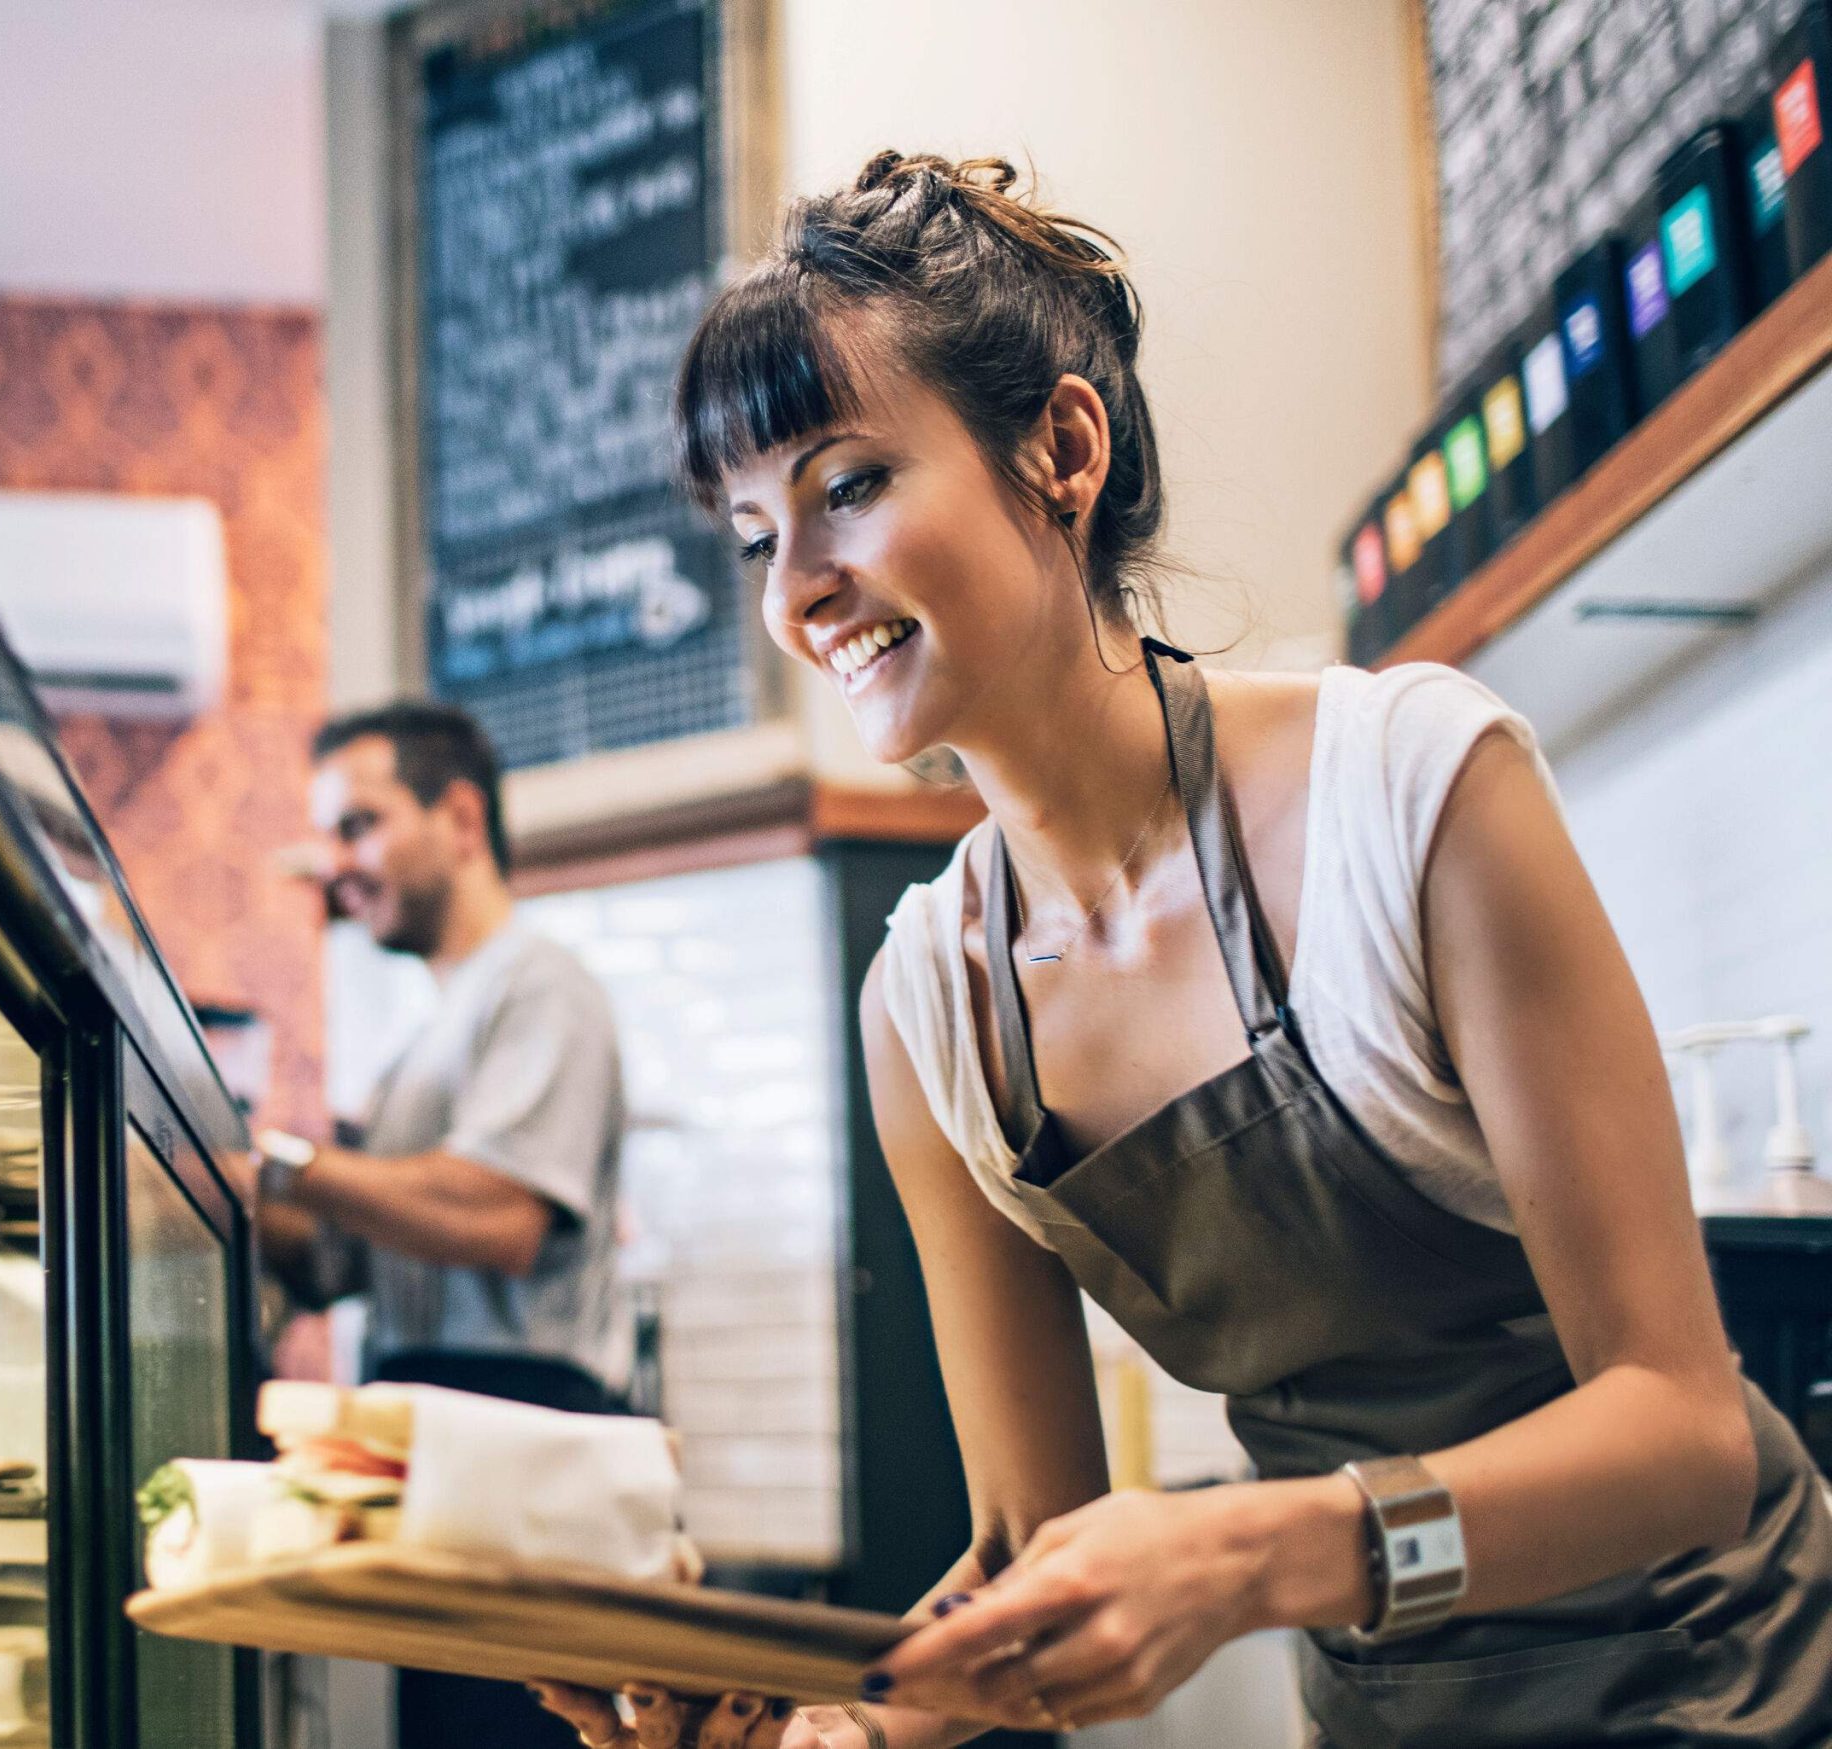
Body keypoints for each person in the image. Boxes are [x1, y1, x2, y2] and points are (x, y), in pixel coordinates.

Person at [535, 151, 1832, 1749]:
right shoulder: (932, 1008)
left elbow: (1685, 1435)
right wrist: (828, 1723)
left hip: (1722, 1674)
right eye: (751, 535)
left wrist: (1252, 1549)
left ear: (1063, 448)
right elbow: (1028, 1557)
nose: (799, 592)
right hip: (1385, 1706)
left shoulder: (1409, 793)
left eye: (847, 485)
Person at [234, 700, 630, 1749]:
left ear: (459, 818)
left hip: (519, 1439)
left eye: (357, 827)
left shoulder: (539, 986)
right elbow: (331, 1263)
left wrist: (289, 1165)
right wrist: (195, 1180)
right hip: (433, 1434)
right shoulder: (422, 1042)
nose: (334, 865)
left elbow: (500, 1217)